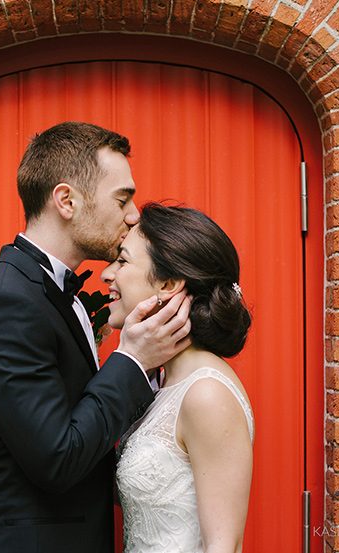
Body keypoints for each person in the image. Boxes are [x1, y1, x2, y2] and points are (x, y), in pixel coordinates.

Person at [0, 122, 192, 553]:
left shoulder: (53, 294)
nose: (134, 214)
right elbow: (57, 458)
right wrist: (131, 361)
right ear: (66, 200)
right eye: (122, 198)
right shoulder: (5, 304)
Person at [107, 203, 255, 553]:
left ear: (169, 284)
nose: (107, 274)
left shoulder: (206, 394)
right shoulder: (161, 383)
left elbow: (224, 546)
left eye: (123, 261)